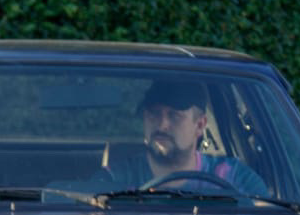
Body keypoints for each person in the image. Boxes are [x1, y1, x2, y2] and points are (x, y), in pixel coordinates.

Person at [61, 77, 271, 196]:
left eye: (175, 116)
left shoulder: (236, 180)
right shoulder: (114, 180)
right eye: (154, 114)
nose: (162, 125)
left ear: (200, 125)